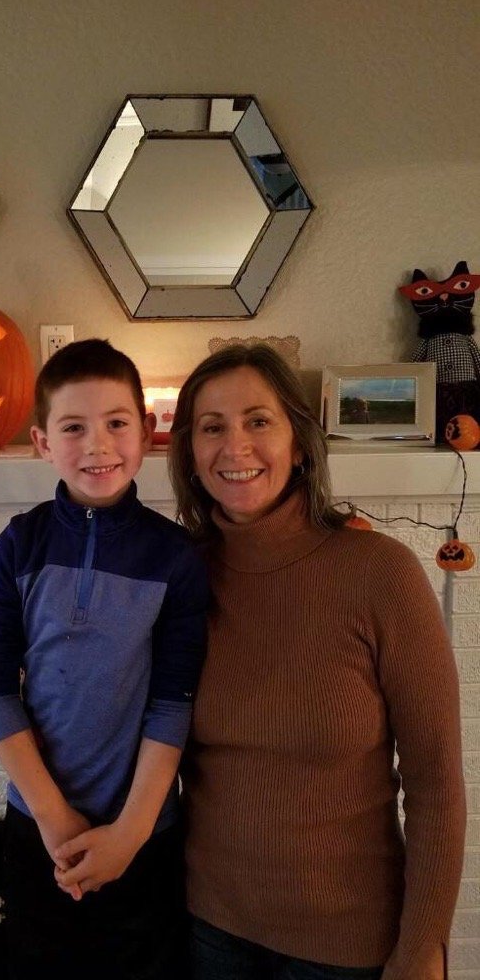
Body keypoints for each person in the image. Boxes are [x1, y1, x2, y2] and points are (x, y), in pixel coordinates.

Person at [167, 343, 466, 980]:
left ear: (300, 445)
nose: (235, 446)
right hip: (209, 931)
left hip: (348, 948)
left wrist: (422, 951)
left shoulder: (380, 574)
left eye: (258, 421)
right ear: (189, 453)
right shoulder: (179, 578)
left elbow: (436, 784)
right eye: (212, 427)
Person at [0, 338, 208, 979]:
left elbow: (174, 702)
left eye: (116, 423)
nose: (98, 445)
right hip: (38, 829)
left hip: (146, 832)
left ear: (148, 432)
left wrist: (130, 833)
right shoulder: (18, 546)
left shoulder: (175, 557)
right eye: (73, 427)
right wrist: (54, 818)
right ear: (42, 442)